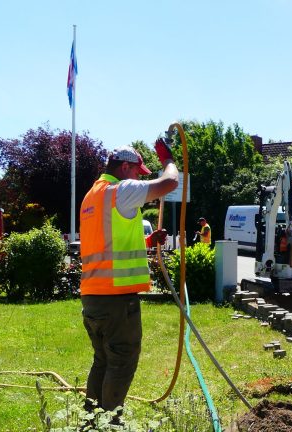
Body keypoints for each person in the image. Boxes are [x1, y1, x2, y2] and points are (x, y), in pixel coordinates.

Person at [79, 138, 178, 423]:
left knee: (103, 360)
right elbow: (169, 183)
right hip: (116, 302)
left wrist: (147, 241)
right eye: (138, 172)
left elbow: (108, 243)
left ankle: (91, 418)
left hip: (93, 297)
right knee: (121, 362)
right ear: (125, 167)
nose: (139, 178)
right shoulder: (120, 190)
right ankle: (110, 423)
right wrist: (167, 162)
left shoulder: (92, 197)